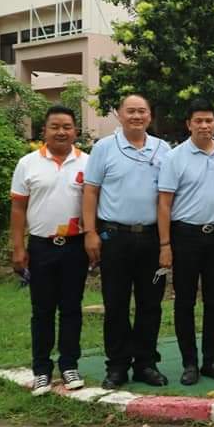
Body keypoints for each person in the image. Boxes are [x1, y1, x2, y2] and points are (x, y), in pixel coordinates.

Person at [83, 94, 172, 389]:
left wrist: (166, 243)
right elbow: (91, 191)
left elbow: (167, 197)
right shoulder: (104, 148)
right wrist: (90, 232)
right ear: (119, 115)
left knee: (151, 304)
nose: (136, 116)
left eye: (142, 111)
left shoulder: (163, 149)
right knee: (116, 303)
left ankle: (146, 363)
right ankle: (117, 366)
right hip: (114, 238)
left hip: (151, 239)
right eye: (130, 111)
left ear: (150, 116)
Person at [11, 106, 90, 396]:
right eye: (55, 127)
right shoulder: (28, 163)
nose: (61, 132)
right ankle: (42, 371)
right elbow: (18, 209)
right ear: (44, 131)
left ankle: (69, 365)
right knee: (42, 310)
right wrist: (18, 247)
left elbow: (93, 205)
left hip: (75, 247)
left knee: (71, 308)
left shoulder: (88, 163)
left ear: (75, 131)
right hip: (41, 247)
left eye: (67, 127)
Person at [157, 99, 214, 386]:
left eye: (209, 120)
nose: (204, 126)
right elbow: (164, 204)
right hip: (185, 236)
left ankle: (211, 361)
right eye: (198, 121)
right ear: (188, 124)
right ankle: (189, 363)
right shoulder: (174, 157)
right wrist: (165, 245)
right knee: (185, 301)